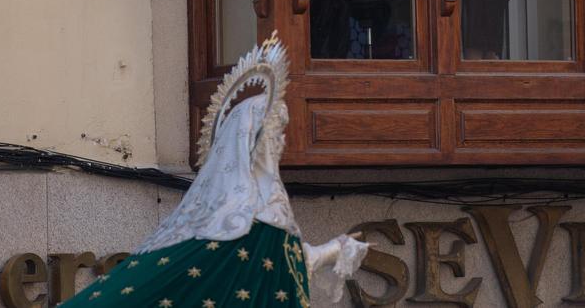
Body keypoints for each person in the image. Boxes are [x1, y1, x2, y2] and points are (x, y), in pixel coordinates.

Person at [60, 38, 368, 307]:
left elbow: (278, 268)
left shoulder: (251, 216)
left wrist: (337, 250)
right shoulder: (239, 220)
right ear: (252, 140)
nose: (281, 143)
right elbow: (268, 269)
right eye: (275, 133)